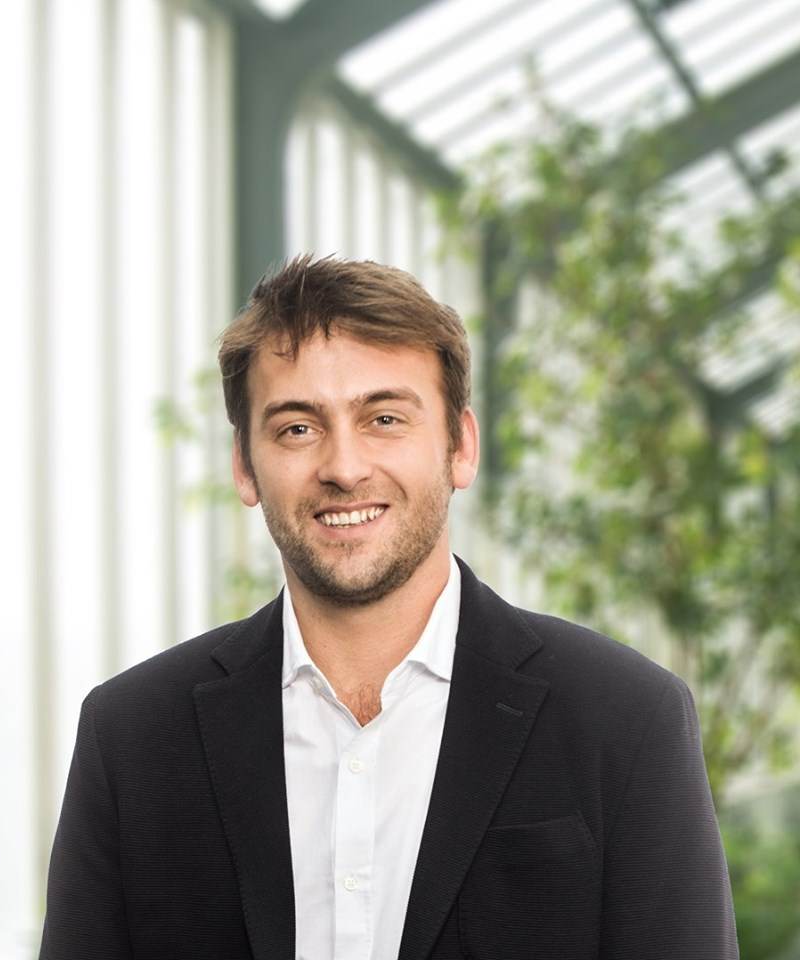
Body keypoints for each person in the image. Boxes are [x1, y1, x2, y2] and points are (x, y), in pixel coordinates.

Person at [38, 255, 739, 960]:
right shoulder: (132, 740)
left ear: (460, 448)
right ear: (245, 467)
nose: (344, 468)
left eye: (384, 418)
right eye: (297, 428)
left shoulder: (625, 720)